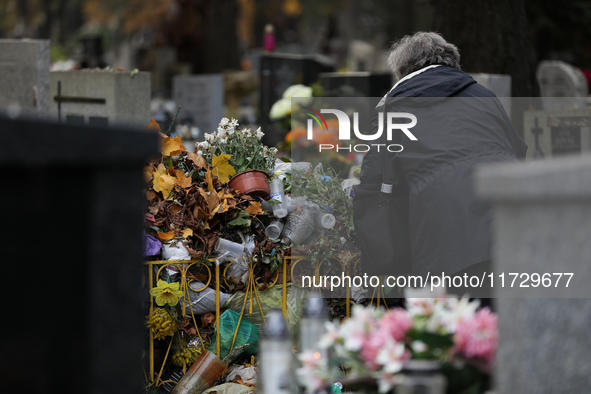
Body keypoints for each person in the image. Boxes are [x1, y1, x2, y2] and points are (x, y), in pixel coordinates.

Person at [359, 32, 527, 297]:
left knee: (457, 324)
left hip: (443, 227)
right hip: (504, 215)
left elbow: (376, 179)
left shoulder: (392, 106)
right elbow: (517, 149)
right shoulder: (484, 94)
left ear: (403, 70)